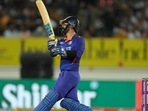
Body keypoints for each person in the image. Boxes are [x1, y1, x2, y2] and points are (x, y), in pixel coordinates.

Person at [34, 16, 92, 111]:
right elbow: (53, 53)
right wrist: (52, 47)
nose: (62, 26)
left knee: (49, 99)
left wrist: (62, 51)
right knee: (67, 103)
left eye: (65, 24)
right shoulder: (61, 41)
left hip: (70, 73)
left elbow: (77, 54)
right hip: (65, 73)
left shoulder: (79, 40)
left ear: (72, 26)